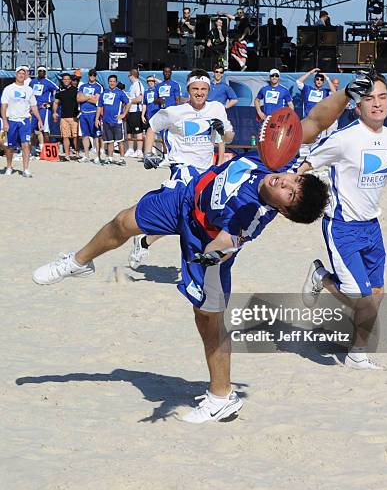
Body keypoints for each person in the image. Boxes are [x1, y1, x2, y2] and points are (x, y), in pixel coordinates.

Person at [32, 80, 363, 421]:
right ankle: (77, 262)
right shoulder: (278, 163)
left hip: (202, 240)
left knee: (208, 320)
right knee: (122, 222)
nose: (286, 183)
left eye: (290, 194)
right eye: (294, 181)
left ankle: (221, 396)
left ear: (284, 211)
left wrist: (209, 257)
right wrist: (348, 94)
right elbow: (314, 122)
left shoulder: (251, 214)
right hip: (186, 198)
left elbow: (226, 242)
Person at [300, 72, 387, 370]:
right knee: (362, 299)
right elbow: (306, 165)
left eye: (382, 97)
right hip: (341, 227)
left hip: (372, 229)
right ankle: (322, 278)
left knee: (377, 295)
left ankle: (356, 354)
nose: (376, 104)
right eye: (369, 98)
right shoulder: (344, 138)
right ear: (357, 105)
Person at [129, 68, 235, 269]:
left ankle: (145, 241)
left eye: (203, 88)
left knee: (185, 215)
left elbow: (227, 138)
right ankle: (195, 260)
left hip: (207, 170)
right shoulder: (175, 111)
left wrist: (220, 160)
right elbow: (152, 127)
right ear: (188, 89)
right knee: (187, 211)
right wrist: (148, 153)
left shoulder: (217, 109)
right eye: (195, 88)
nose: (199, 92)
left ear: (208, 89)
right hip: (183, 168)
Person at [1, 66, 42, 177]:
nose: (21, 75)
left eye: (23, 74)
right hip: (12, 121)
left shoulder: (28, 90)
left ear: (26, 76)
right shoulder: (8, 89)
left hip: (24, 121)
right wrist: (5, 121)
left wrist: (39, 119)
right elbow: (4, 106)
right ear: (16, 75)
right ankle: (9, 167)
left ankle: (25, 169)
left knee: (26, 144)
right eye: (19, 73)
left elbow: (34, 106)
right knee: (10, 147)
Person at [95, 75, 131, 166]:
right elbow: (99, 106)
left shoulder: (120, 93)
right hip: (106, 120)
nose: (112, 83)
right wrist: (97, 118)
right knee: (109, 141)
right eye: (110, 81)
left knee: (119, 140)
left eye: (113, 81)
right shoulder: (104, 93)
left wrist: (123, 114)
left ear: (116, 82)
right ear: (108, 82)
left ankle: (122, 159)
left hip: (117, 121)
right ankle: (110, 158)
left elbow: (128, 102)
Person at [296, 69, 337, 137]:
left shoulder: (325, 92)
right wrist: (310, 72)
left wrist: (327, 78)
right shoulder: (308, 89)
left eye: (321, 80)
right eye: (317, 79)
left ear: (323, 82)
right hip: (308, 121)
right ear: (314, 80)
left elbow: (334, 92)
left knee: (319, 145)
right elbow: (298, 82)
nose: (319, 81)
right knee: (305, 143)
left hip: (320, 122)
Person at [77, 69, 104, 163]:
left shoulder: (98, 87)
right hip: (83, 113)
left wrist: (85, 97)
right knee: (85, 135)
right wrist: (89, 97)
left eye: (94, 75)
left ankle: (97, 156)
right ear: (88, 75)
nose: (92, 76)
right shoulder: (82, 86)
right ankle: (86, 155)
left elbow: (96, 100)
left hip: (93, 113)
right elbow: (78, 98)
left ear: (96, 76)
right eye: (90, 75)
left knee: (96, 135)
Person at [29, 66, 58, 151]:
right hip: (33, 108)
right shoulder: (32, 82)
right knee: (32, 130)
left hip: (43, 109)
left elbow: (56, 90)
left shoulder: (48, 82)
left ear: (45, 73)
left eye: (43, 71)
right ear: (37, 72)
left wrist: (50, 101)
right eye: (40, 71)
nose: (41, 72)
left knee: (44, 129)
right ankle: (33, 149)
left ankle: (44, 149)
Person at [52, 73, 79, 161]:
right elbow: (56, 102)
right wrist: (54, 112)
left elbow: (81, 100)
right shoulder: (60, 91)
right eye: (64, 79)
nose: (66, 81)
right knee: (65, 137)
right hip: (63, 117)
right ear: (62, 80)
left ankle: (77, 153)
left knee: (75, 137)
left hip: (74, 117)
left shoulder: (76, 90)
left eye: (68, 79)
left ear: (70, 80)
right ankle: (67, 155)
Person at [125, 68, 145, 158]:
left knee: (138, 130)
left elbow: (140, 98)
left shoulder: (138, 84)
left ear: (132, 75)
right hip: (130, 111)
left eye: (129, 75)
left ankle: (139, 150)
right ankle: (130, 149)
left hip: (136, 111)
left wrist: (129, 101)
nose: (128, 77)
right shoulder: (132, 85)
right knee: (129, 130)